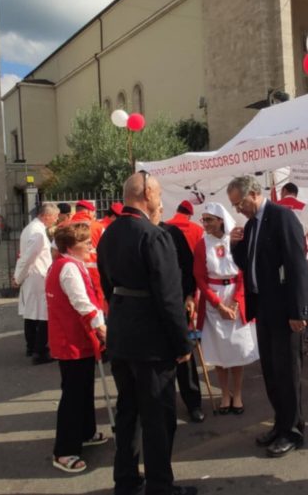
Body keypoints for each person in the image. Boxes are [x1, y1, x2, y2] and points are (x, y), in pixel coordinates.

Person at [97, 172, 196, 495]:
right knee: (158, 418)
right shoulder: (154, 236)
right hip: (151, 343)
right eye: (159, 194)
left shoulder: (108, 234)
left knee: (128, 413)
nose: (160, 200)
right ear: (148, 194)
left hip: (122, 335)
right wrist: (182, 343)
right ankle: (160, 487)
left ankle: (125, 481)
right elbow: (169, 297)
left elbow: (107, 286)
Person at [227, 175, 308, 458]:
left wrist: (298, 311)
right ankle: (279, 424)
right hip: (263, 307)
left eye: (239, 203)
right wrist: (235, 245)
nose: (237, 210)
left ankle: (292, 431)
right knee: (271, 371)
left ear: (254, 194)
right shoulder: (252, 224)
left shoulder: (283, 217)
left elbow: (297, 266)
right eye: (233, 205)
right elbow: (248, 264)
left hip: (285, 309)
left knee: (288, 372)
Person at [46, 223, 108, 473]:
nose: (90, 247)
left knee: (82, 388)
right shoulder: (69, 268)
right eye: (86, 243)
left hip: (75, 338)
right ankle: (64, 451)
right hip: (71, 339)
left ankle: (85, 431)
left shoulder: (68, 264)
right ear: (72, 247)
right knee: (73, 394)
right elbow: (82, 302)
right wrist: (101, 327)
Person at [193, 202, 259, 416]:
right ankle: (225, 394)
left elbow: (243, 272)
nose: (205, 224)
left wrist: (237, 301)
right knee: (220, 351)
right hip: (215, 300)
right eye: (203, 220)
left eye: (209, 220)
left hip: (234, 295)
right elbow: (200, 278)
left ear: (220, 220)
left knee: (236, 350)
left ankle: (237, 393)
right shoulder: (202, 244)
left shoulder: (235, 239)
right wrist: (218, 304)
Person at [152, 205, 205, 424]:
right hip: (150, 309)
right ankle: (161, 407)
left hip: (177, 304)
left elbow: (188, 265)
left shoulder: (171, 233)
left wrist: (191, 296)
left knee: (185, 355)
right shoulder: (135, 234)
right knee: (156, 361)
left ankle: (193, 403)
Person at [277, 182, 308, 343]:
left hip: (278, 261)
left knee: (282, 294)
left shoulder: (274, 206)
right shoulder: (305, 208)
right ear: (296, 193)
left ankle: (285, 331)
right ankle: (305, 331)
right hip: (300, 259)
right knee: (302, 294)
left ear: (284, 191)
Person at [13, 202, 59, 364]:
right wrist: (18, 277)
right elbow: (28, 258)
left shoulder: (31, 228)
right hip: (38, 276)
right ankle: (40, 351)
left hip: (33, 276)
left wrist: (19, 276)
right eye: (55, 216)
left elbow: (24, 256)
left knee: (31, 313)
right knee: (43, 314)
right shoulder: (38, 233)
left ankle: (31, 347)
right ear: (46, 216)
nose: (56, 220)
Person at [63, 200, 107, 312]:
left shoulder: (64, 226)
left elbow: (55, 251)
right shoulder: (98, 226)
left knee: (75, 294)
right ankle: (98, 319)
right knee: (97, 297)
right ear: (88, 211)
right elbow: (106, 248)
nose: (93, 215)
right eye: (93, 212)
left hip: (71, 266)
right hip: (94, 267)